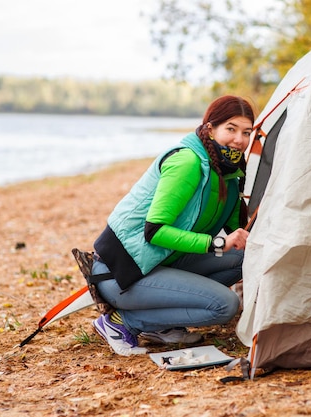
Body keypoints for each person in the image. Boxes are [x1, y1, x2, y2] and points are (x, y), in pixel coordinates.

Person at [90, 95, 255, 356]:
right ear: (210, 128)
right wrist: (217, 243)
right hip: (125, 272)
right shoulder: (188, 162)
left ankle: (160, 324)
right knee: (225, 305)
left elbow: (238, 230)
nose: (239, 140)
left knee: (243, 256)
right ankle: (121, 322)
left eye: (247, 132)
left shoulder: (229, 172)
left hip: (165, 261)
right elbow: (154, 230)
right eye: (231, 129)